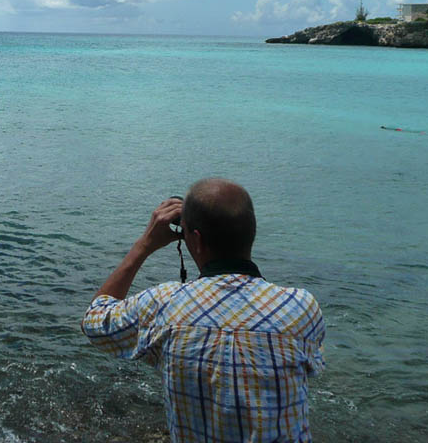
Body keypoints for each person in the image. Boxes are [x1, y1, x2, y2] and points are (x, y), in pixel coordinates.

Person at [81, 178, 325, 443]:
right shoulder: (302, 307)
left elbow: (95, 321)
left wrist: (145, 244)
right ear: (251, 232)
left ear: (195, 239)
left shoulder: (163, 304)